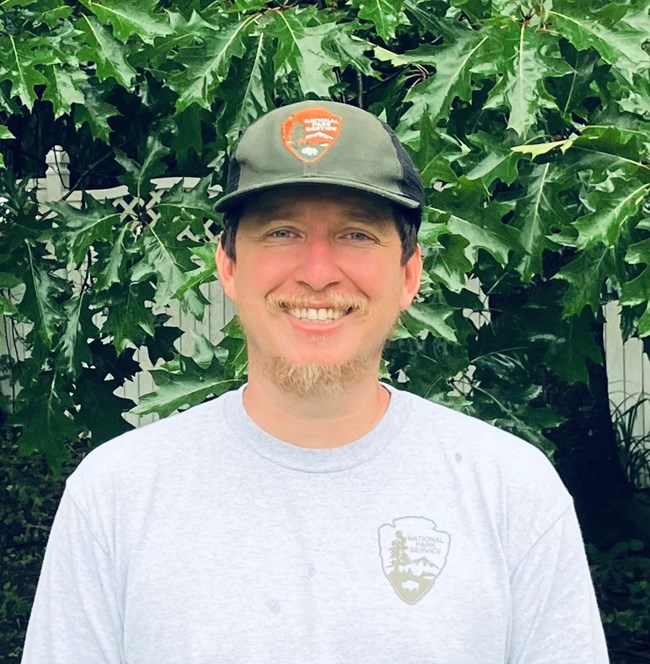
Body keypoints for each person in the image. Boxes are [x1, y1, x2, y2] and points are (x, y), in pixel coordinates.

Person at [21, 100, 609, 663]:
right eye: (281, 232)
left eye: (357, 234)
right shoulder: (116, 494)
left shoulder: (511, 490)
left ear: (409, 275)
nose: (319, 273)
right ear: (228, 267)